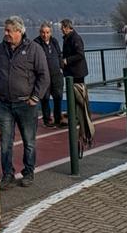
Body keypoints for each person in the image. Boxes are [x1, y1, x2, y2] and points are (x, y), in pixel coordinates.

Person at [0, 15, 49, 188]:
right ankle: (7, 174)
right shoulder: (1, 49)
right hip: (5, 103)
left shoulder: (34, 49)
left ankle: (28, 172)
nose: (5, 33)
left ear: (18, 31)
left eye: (8, 30)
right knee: (5, 141)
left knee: (29, 141)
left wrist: (35, 97)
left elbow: (43, 75)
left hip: (26, 104)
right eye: (5, 30)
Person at [60, 19, 93, 147]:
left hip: (77, 72)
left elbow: (80, 54)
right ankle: (74, 115)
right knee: (73, 96)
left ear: (68, 27)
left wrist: (67, 61)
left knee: (80, 96)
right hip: (71, 72)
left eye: (63, 27)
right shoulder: (68, 38)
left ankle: (80, 117)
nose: (62, 29)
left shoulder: (75, 38)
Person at [36, 22, 64, 126]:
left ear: (50, 33)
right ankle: (47, 120)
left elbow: (59, 55)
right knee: (45, 98)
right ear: (40, 32)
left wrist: (62, 68)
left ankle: (58, 119)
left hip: (56, 74)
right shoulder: (36, 43)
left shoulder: (54, 41)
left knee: (58, 97)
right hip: (44, 76)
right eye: (43, 32)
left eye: (47, 32)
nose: (45, 35)